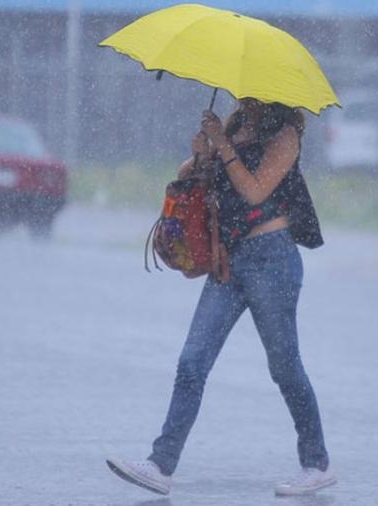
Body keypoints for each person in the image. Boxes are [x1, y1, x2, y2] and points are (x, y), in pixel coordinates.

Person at [106, 98, 335, 496]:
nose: (245, 97)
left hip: (272, 260)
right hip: (228, 260)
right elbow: (188, 175)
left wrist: (222, 145)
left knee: (284, 367)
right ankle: (160, 464)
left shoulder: (285, 136)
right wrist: (201, 152)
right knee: (192, 362)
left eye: (254, 92)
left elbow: (255, 191)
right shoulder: (232, 126)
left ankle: (317, 463)